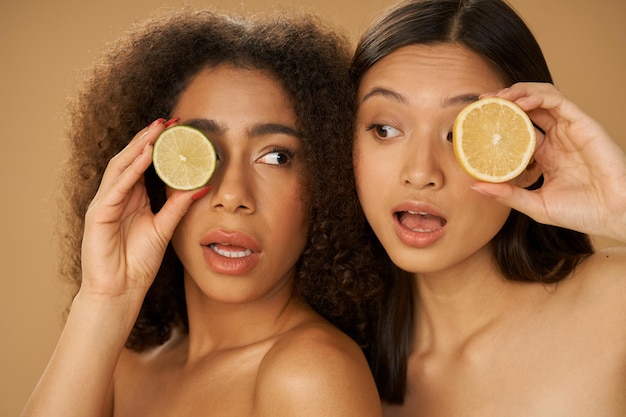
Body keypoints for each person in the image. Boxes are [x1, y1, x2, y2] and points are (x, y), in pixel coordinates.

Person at [21, 8, 383, 417]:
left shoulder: (310, 375)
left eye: (277, 156)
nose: (232, 196)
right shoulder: (123, 365)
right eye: (203, 150)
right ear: (155, 170)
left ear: (328, 182)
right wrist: (104, 299)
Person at [348, 0, 626, 415]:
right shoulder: (336, 363)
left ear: (527, 157)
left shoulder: (613, 308)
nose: (421, 172)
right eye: (385, 129)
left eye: (461, 132)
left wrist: (620, 208)